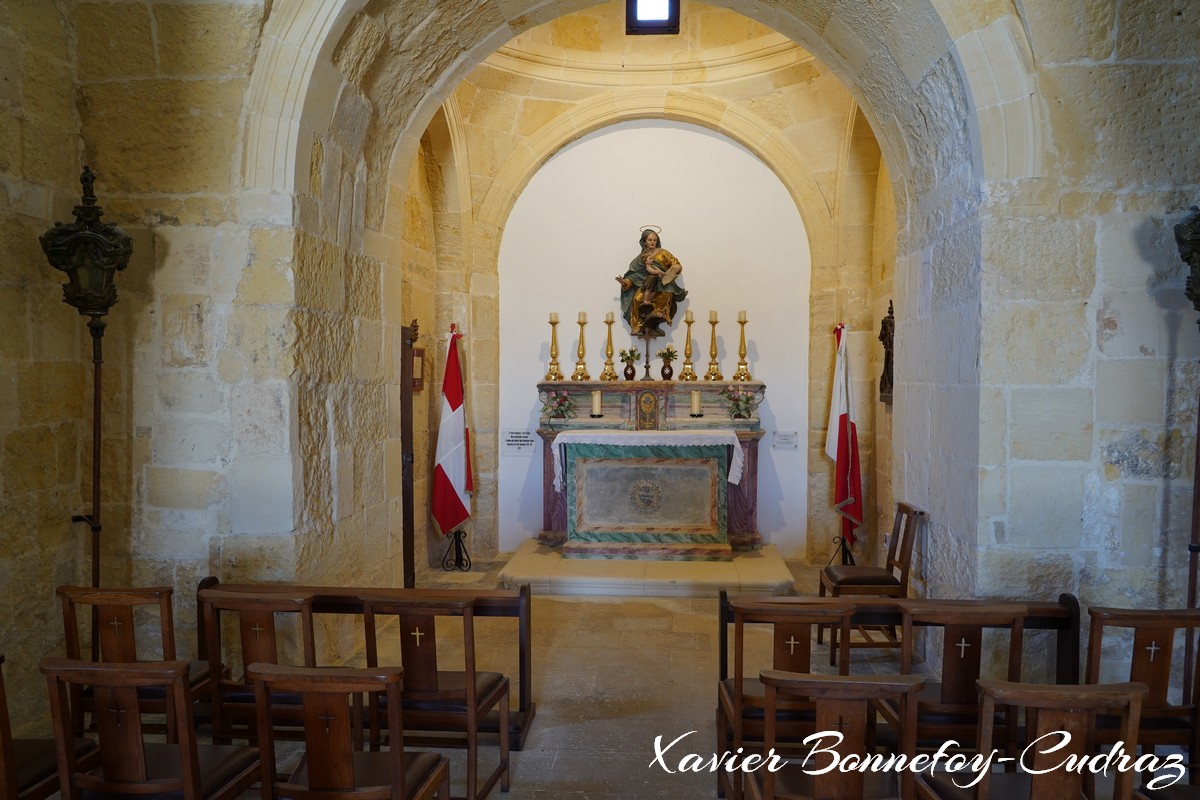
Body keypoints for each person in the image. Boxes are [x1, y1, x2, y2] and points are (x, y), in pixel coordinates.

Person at [615, 228, 688, 337]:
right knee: (637, 299)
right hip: (648, 284)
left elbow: (675, 263)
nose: (652, 242)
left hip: (663, 283)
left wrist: (676, 267)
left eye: (654, 240)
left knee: (667, 294)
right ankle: (639, 324)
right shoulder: (641, 258)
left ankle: (659, 314)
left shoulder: (663, 253)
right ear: (644, 242)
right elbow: (634, 275)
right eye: (649, 240)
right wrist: (625, 282)